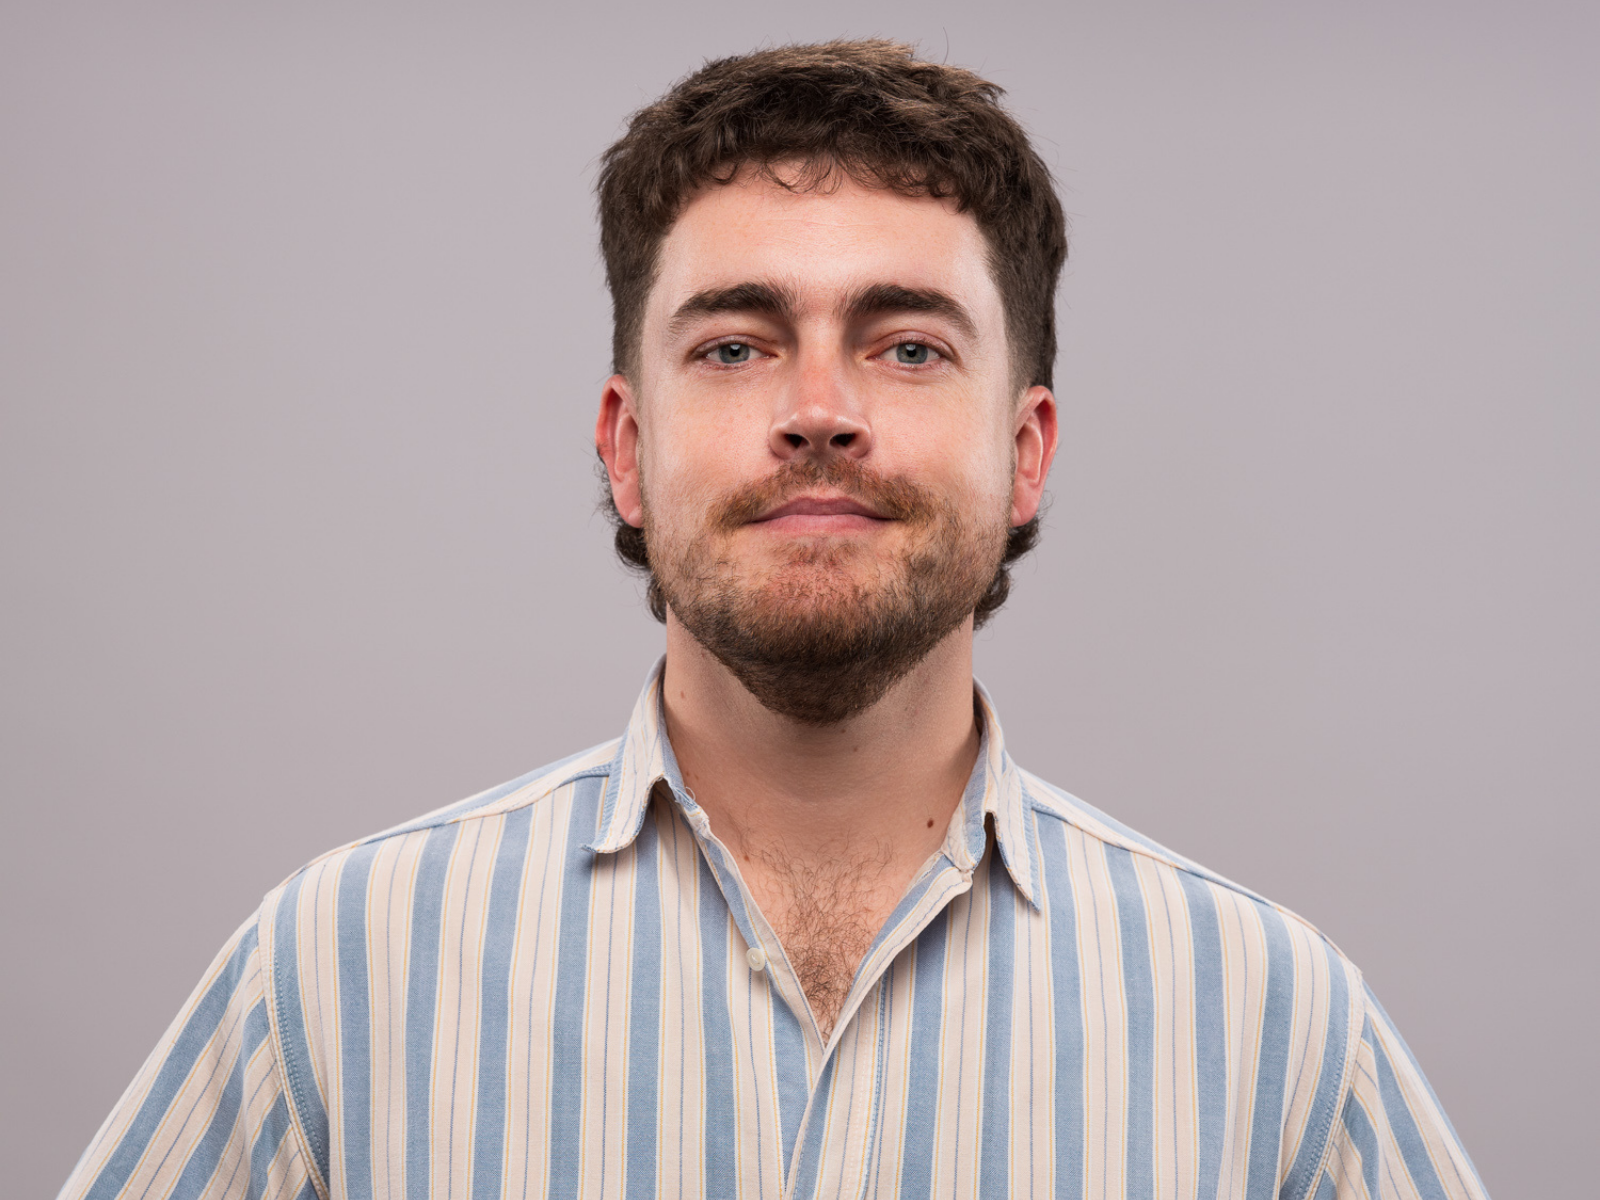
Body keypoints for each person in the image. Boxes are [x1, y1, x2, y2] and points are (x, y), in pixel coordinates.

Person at [59, 40, 1488, 1200]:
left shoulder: (1272, 1024)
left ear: (1028, 452)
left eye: (908, 345)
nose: (819, 412)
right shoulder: (341, 971)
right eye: (736, 346)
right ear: (625, 445)